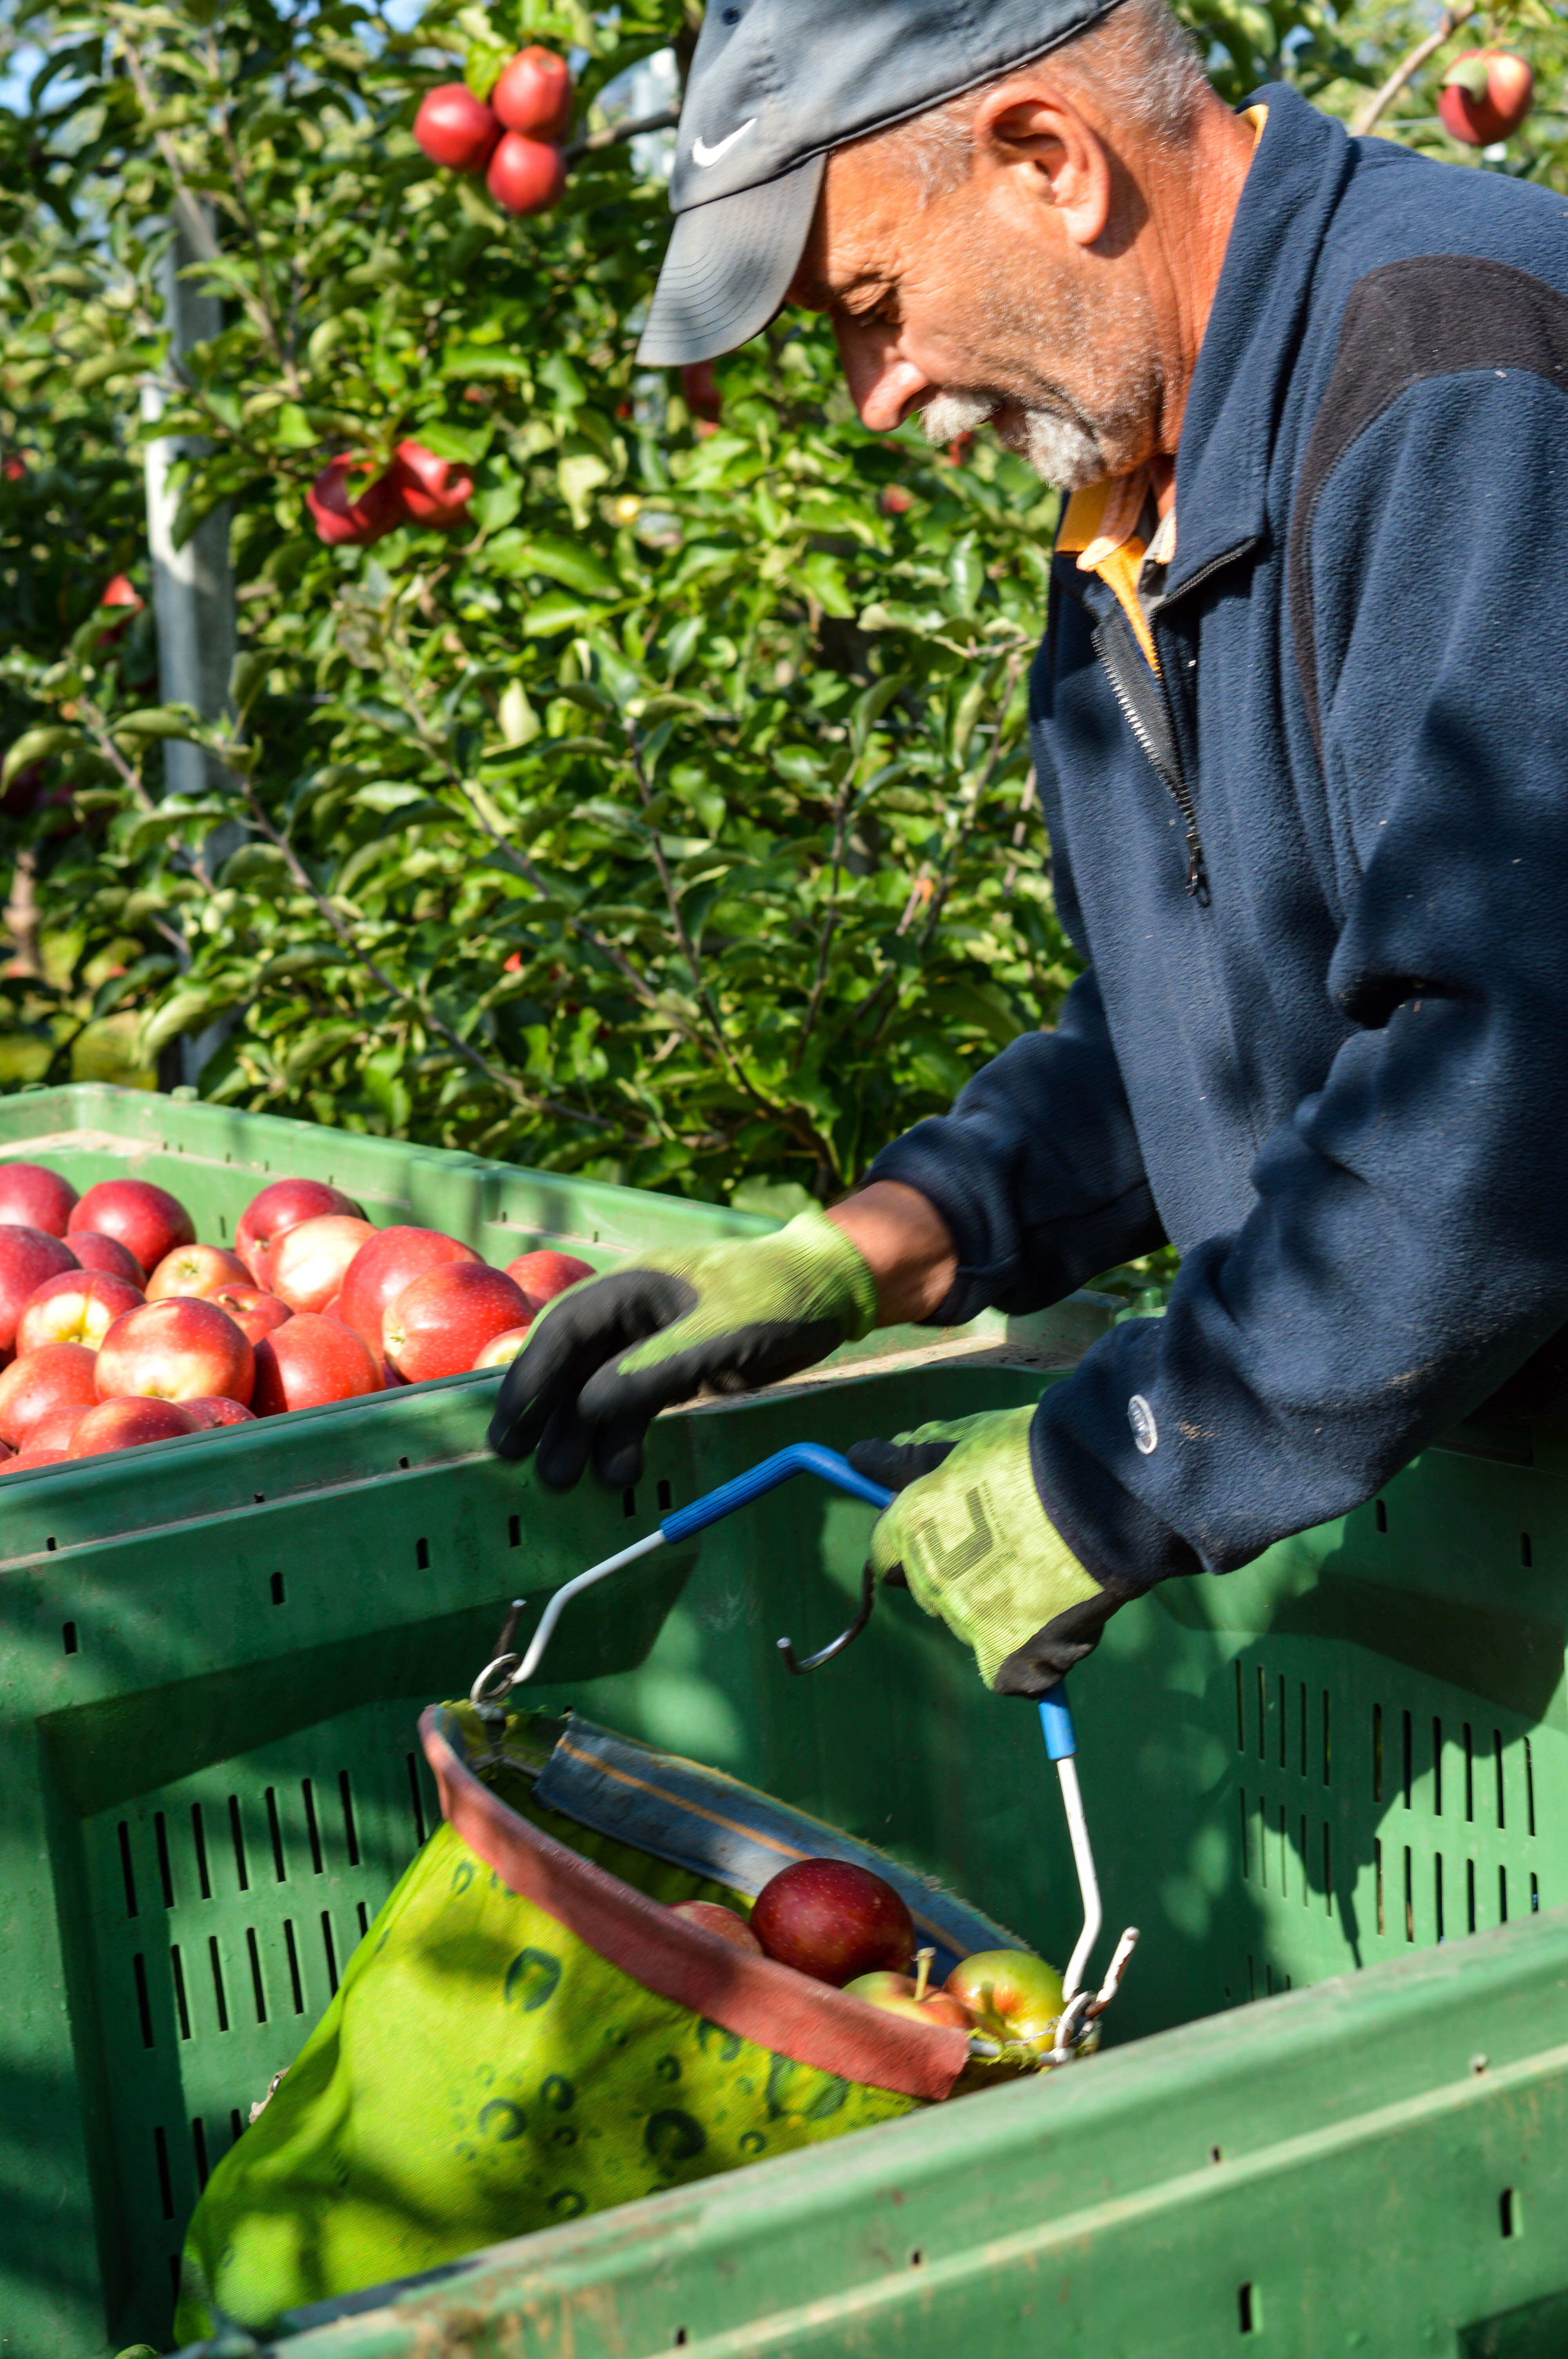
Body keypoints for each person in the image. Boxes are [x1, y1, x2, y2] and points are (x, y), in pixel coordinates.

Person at [492, 0, 1568, 1697]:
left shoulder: (1460, 377)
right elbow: (1212, 1017)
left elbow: (1506, 1061)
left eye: (867, 307)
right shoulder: (1141, 515)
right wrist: (888, 1237)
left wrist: (1131, 1457)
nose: (874, 396)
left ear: (1049, 160)